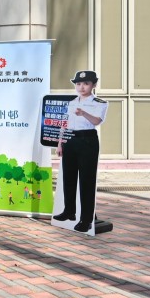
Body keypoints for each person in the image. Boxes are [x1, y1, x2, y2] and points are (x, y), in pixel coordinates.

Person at [54, 70, 107, 233]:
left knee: (86, 181)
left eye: (86, 83)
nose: (81, 87)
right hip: (70, 140)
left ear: (94, 85)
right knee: (68, 177)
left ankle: (86, 219)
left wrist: (83, 113)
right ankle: (69, 211)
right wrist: (60, 143)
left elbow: (97, 121)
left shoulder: (99, 103)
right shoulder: (71, 102)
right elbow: (64, 123)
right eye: (78, 83)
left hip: (87, 140)